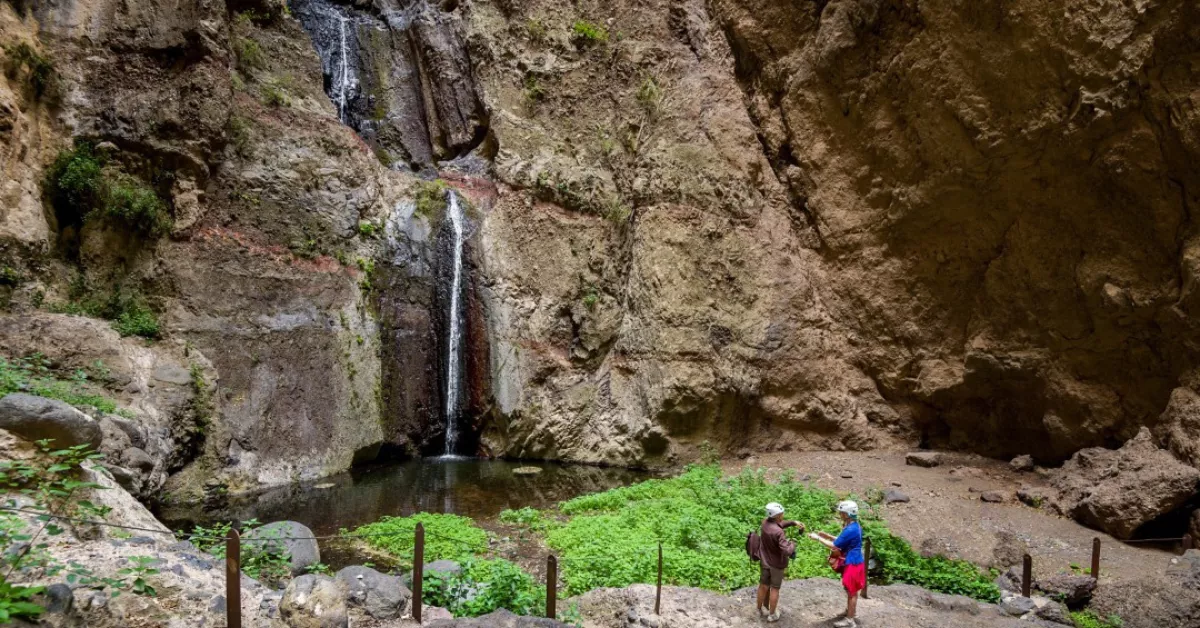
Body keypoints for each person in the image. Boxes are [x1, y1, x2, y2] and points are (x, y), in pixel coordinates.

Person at [812, 500, 865, 628]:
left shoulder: (850, 529)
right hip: (854, 561)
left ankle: (850, 620)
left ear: (847, 514)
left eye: (842, 512)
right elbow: (842, 540)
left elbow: (834, 545)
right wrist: (828, 536)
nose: (840, 514)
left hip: (853, 563)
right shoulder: (853, 525)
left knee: (852, 591)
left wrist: (818, 538)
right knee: (849, 589)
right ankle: (850, 612)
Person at [756, 502, 804, 622]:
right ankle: (772, 614)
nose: (783, 515)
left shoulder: (765, 523)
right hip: (776, 564)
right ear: (777, 515)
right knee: (775, 588)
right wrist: (792, 543)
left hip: (765, 561)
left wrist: (793, 522)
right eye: (781, 514)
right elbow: (787, 551)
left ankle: (759, 608)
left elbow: (779, 524)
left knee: (763, 585)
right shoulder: (778, 532)